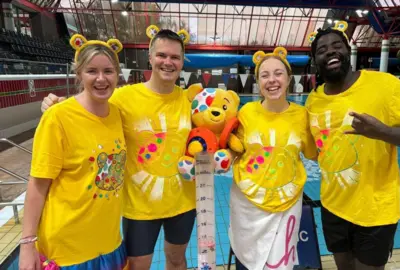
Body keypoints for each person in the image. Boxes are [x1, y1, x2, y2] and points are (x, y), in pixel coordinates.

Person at [40, 25, 194, 270]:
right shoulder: (123, 97)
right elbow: (88, 103)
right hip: (138, 205)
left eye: (175, 57)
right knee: (137, 266)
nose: (168, 62)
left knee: (177, 260)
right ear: (151, 58)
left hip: (183, 202)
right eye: (162, 55)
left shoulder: (188, 101)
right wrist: (57, 104)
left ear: (182, 61)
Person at [305, 21, 400, 270]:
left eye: (336, 45)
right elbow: (316, 150)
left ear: (348, 49)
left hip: (375, 208)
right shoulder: (313, 100)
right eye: (322, 50)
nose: (330, 51)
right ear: (315, 62)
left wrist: (384, 132)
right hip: (332, 205)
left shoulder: (384, 85)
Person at [19, 34, 127, 269]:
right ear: (79, 74)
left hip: (108, 243)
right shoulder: (57, 117)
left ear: (117, 74)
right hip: (68, 250)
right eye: (92, 71)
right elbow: (38, 184)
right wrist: (27, 244)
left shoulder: (118, 114)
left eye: (108, 71)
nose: (101, 79)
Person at [228, 47, 318, 270]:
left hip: (287, 200)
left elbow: (315, 153)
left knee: (281, 264)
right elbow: (234, 149)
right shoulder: (246, 112)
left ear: (288, 78)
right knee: (247, 262)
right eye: (264, 75)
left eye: (278, 73)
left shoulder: (302, 115)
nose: (272, 80)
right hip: (247, 201)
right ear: (258, 82)